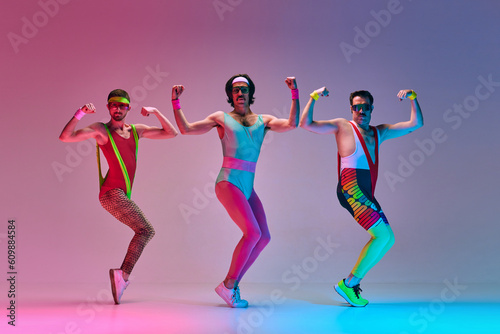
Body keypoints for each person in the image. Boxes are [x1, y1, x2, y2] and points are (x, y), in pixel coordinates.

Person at [171, 74, 299, 307]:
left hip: (248, 186)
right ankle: (228, 286)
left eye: (244, 89)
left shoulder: (264, 120)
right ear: (230, 95)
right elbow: (186, 129)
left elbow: (291, 124)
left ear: (251, 93)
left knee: (263, 237)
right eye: (235, 90)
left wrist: (295, 93)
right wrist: (175, 103)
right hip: (228, 182)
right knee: (252, 233)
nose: (240, 93)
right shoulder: (221, 118)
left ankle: (231, 286)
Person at [300, 87, 423, 307]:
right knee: (382, 236)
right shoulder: (342, 126)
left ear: (371, 109)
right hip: (351, 189)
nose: (361, 110)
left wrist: (413, 98)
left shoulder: (379, 131)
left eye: (365, 107)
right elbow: (306, 124)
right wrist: (313, 97)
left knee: (388, 238)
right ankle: (349, 283)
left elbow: (416, 124)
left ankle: (351, 283)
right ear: (351, 109)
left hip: (365, 191)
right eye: (357, 107)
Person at [59, 89, 178, 304]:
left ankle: (122, 276)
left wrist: (157, 111)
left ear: (128, 108)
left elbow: (171, 133)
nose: (117, 108)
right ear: (108, 108)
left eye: (122, 105)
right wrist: (80, 113)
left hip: (121, 193)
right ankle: (122, 276)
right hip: (111, 193)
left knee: (144, 231)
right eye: (113, 105)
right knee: (146, 230)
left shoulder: (136, 130)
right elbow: (65, 137)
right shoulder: (101, 130)